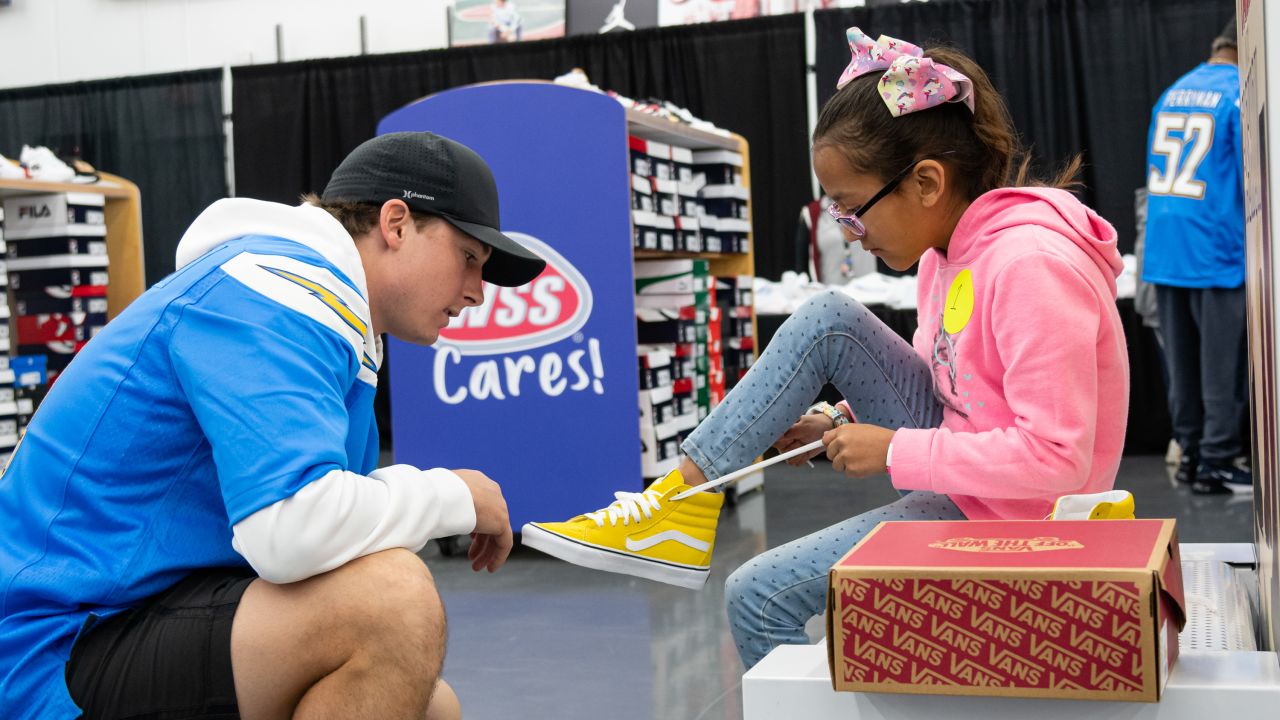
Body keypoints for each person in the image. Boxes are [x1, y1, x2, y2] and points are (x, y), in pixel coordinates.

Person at [522, 27, 1128, 668]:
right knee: (831, 319)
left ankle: (673, 506)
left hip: (1024, 521)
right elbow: (951, 384)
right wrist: (839, 420)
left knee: (757, 597)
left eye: (849, 209)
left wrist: (896, 448)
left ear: (925, 182)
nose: (849, 232)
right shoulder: (946, 255)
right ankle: (680, 500)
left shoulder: (1030, 263)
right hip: (975, 485)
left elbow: (1057, 458)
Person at [0, 131, 546, 718]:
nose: (476, 294)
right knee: (393, 602)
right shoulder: (273, 291)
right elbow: (291, 527)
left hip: (130, 614)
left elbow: (325, 548)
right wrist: (455, 494)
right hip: (52, 646)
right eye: (469, 257)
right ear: (396, 223)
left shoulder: (326, 316)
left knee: (432, 706)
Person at [1142, 17, 1250, 495]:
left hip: (1166, 246)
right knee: (1221, 365)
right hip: (1215, 246)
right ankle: (1219, 461)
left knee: (1183, 363)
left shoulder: (1172, 91)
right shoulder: (1238, 93)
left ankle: (1189, 454)